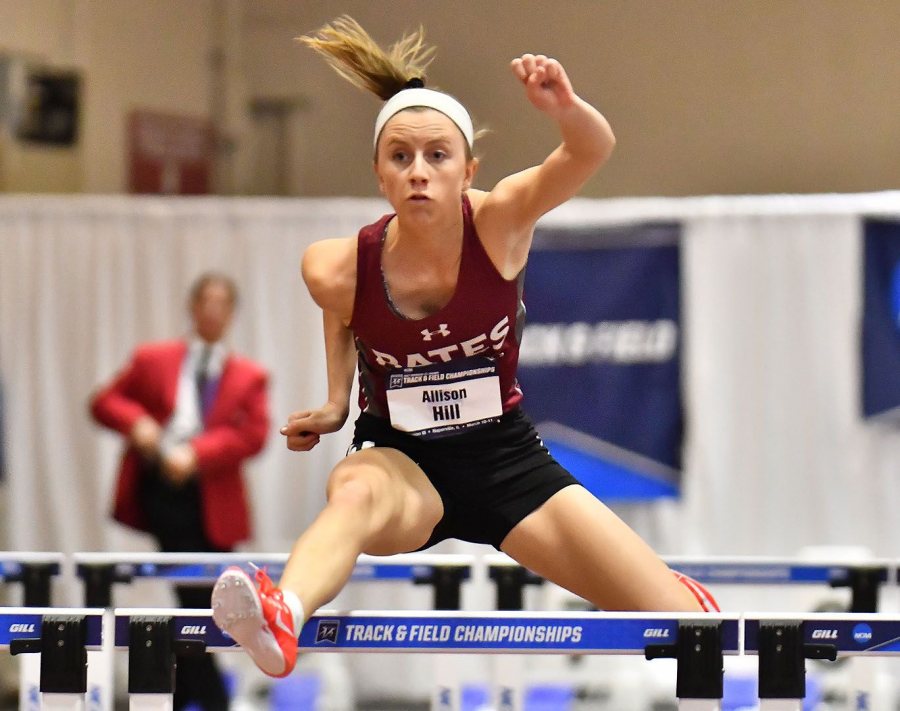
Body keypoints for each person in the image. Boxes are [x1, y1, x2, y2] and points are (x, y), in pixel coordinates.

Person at [211, 16, 717, 679]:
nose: (418, 172)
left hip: (507, 461)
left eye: (437, 156)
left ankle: (680, 596)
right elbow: (341, 316)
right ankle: (284, 611)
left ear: (467, 168)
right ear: (379, 173)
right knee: (354, 492)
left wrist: (564, 108)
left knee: (693, 627)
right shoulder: (335, 267)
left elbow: (590, 150)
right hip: (403, 462)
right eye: (400, 157)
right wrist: (338, 403)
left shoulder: (501, 222)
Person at [90, 272, 270, 709]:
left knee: (204, 598)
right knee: (197, 596)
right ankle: (211, 698)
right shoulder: (154, 359)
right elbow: (105, 401)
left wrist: (199, 453)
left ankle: (190, 691)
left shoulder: (249, 375)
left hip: (212, 499)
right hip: (165, 494)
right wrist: (140, 425)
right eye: (205, 301)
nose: (212, 310)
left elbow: (255, 434)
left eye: (221, 303)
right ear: (192, 307)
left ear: (231, 313)